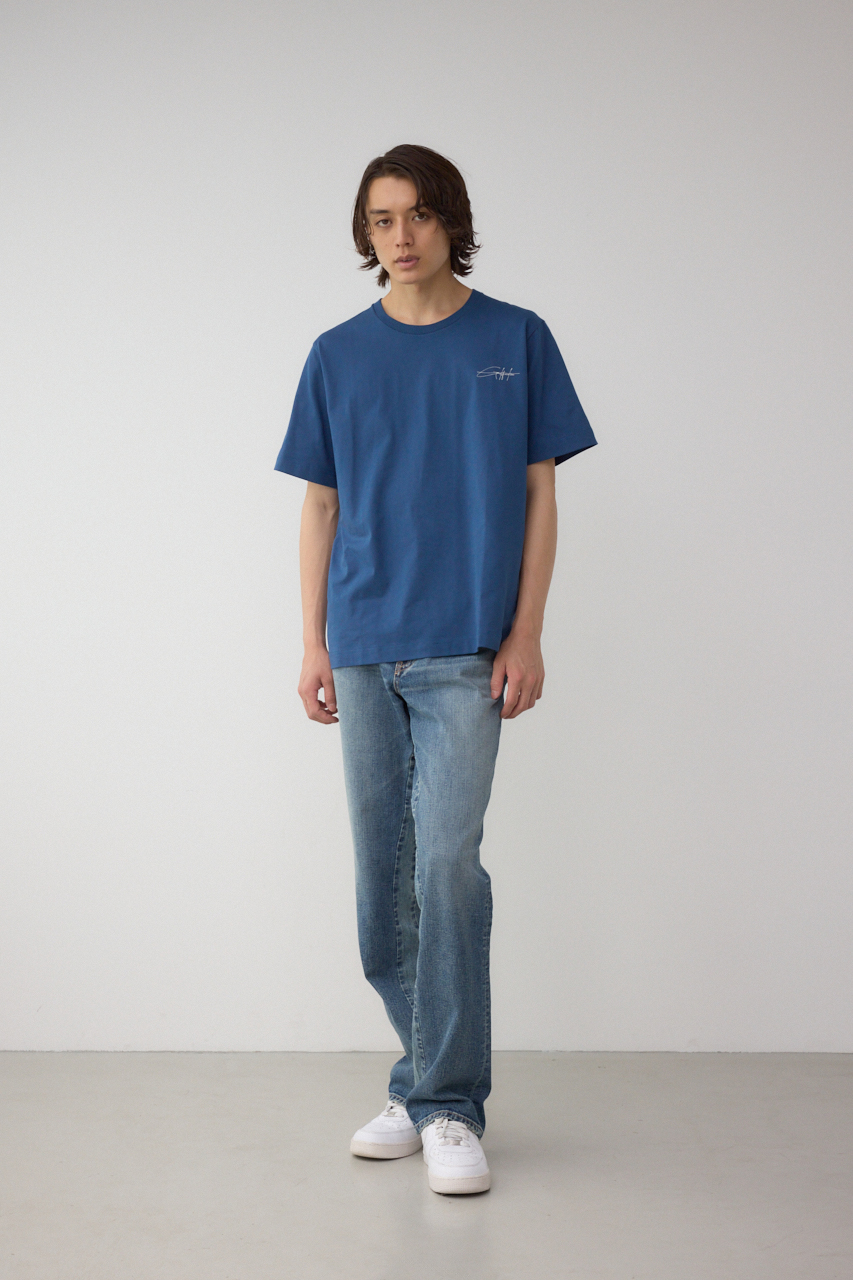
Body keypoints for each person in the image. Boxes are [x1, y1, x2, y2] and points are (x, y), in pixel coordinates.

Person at [274, 144, 597, 1195]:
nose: (400, 236)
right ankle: (421, 1080)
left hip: (467, 646)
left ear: (451, 219)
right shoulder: (336, 353)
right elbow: (320, 503)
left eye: (417, 214)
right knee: (383, 889)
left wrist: (527, 631)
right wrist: (314, 639)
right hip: (364, 644)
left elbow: (540, 492)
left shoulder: (514, 338)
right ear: (364, 235)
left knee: (447, 864)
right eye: (381, 220)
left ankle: (448, 1103)